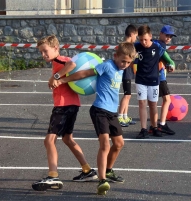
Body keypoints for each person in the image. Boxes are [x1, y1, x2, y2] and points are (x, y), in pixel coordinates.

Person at [52, 42, 136, 195]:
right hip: (99, 110)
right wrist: (62, 80)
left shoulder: (122, 69)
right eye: (123, 61)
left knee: (118, 144)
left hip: (112, 112)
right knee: (105, 144)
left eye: (129, 62)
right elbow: (85, 74)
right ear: (115, 56)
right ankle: (102, 180)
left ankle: (109, 171)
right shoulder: (107, 65)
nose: (125, 64)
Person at [32, 35, 98, 192]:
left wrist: (55, 76)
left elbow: (71, 64)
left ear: (55, 48)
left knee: (49, 140)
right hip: (72, 105)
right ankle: (88, 170)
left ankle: (53, 176)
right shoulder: (59, 60)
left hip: (63, 106)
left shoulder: (60, 60)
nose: (43, 55)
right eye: (41, 52)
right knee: (68, 139)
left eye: (45, 51)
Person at [134, 25, 167, 139]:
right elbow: (125, 49)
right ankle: (143, 129)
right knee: (142, 103)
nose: (143, 42)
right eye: (141, 39)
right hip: (140, 79)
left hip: (153, 80)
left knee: (153, 104)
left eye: (146, 39)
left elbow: (166, 58)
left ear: (151, 37)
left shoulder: (157, 47)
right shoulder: (136, 46)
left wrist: (170, 65)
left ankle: (154, 127)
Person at [155, 25, 177, 135]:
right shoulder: (160, 45)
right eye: (167, 35)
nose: (168, 38)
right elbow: (166, 57)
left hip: (156, 75)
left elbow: (164, 59)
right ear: (161, 33)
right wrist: (171, 63)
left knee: (153, 102)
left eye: (170, 37)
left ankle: (155, 125)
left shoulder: (156, 43)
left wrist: (168, 64)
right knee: (167, 100)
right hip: (159, 76)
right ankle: (162, 124)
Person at [118, 24, 138, 127]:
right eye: (136, 35)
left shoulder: (129, 46)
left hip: (129, 72)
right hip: (125, 72)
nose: (136, 38)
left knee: (128, 95)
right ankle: (120, 117)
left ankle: (125, 116)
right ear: (131, 34)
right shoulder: (125, 46)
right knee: (127, 95)